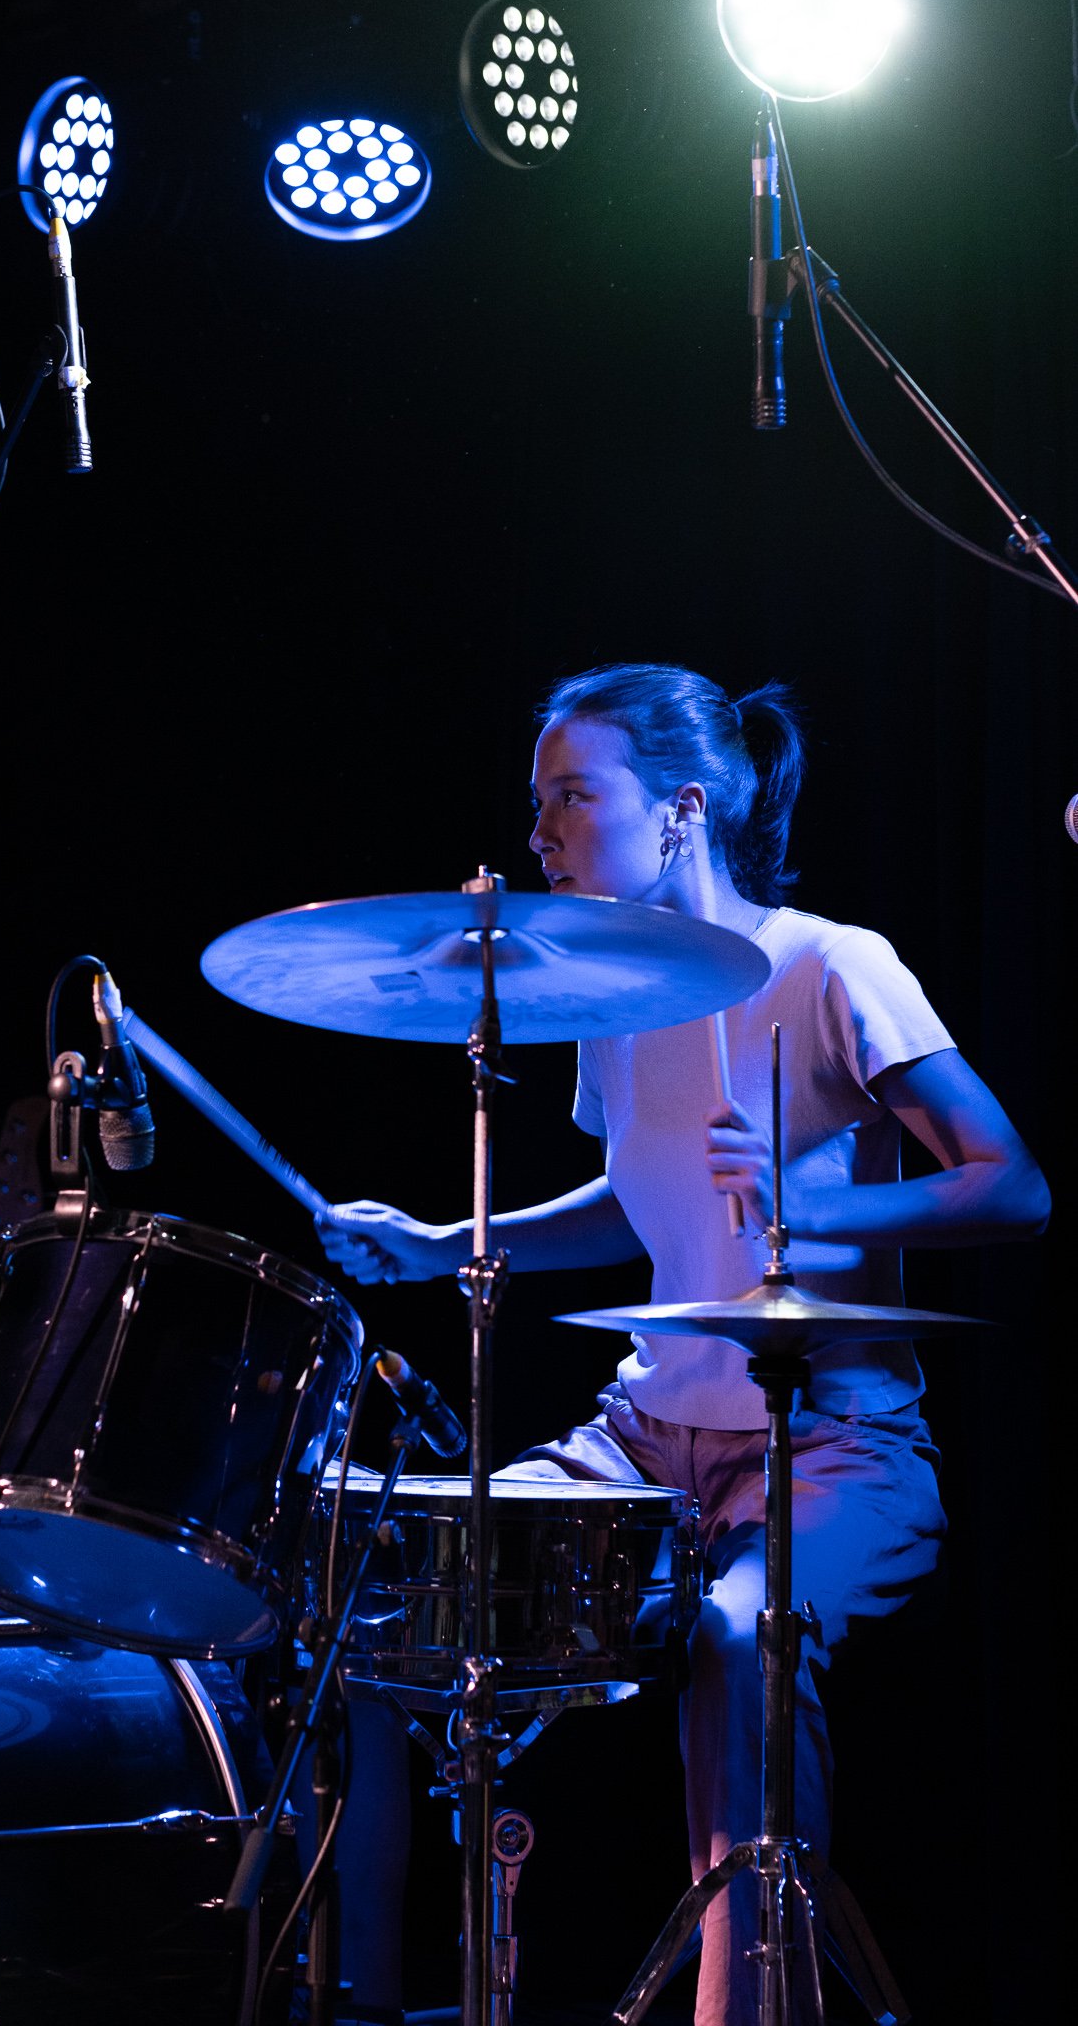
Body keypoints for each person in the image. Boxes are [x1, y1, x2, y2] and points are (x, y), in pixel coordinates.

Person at [315, 662, 1050, 2026]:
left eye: (571, 797)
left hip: (834, 1437)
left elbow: (1012, 1184)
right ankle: (358, 1997)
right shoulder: (615, 997)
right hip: (645, 1439)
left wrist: (817, 1206)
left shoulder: (832, 964)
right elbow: (629, 1201)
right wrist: (440, 1241)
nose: (538, 831)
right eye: (538, 801)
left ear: (683, 810)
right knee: (378, 1583)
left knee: (734, 1636)